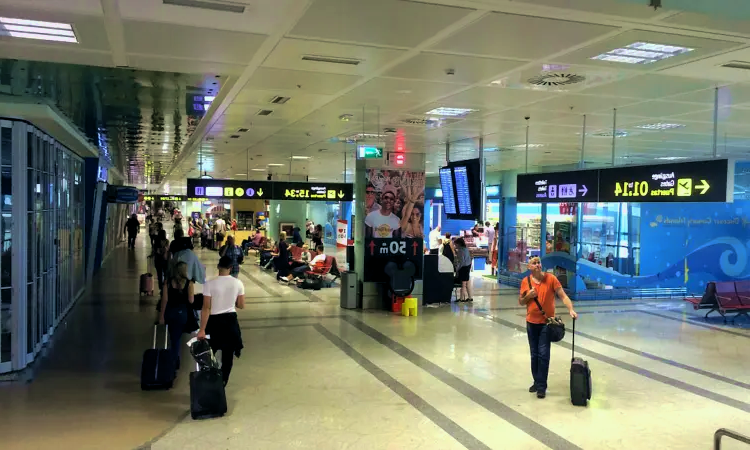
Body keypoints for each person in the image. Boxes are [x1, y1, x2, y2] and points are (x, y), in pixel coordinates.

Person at [519, 257, 577, 399]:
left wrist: (571, 309)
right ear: (529, 267)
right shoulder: (525, 282)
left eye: (539, 262)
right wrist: (529, 296)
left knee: (543, 354)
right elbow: (521, 302)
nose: (538, 265)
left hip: (547, 323)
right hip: (531, 323)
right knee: (534, 354)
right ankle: (537, 381)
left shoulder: (551, 279)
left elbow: (563, 296)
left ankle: (541, 387)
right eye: (534, 263)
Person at [197, 256, 244, 387]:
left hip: (214, 323)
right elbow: (241, 305)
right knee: (228, 356)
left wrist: (202, 329)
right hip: (230, 322)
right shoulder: (238, 283)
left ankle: (210, 378)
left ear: (218, 267)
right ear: (230, 268)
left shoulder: (209, 284)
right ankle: (223, 382)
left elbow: (206, 308)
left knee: (209, 352)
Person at [158, 261, 194, 372]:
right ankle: (174, 360)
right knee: (176, 338)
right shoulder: (189, 283)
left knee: (174, 337)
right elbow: (191, 300)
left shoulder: (167, 282)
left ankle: (175, 358)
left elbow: (164, 300)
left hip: (170, 312)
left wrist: (161, 316)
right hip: (182, 313)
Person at [454, 237, 473, 302]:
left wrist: (457, 269)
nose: (455, 245)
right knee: (467, 283)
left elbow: (461, 261)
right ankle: (470, 297)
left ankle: (462, 299)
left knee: (463, 283)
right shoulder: (465, 249)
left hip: (464, 267)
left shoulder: (461, 250)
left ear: (459, 244)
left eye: (455, 244)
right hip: (468, 266)